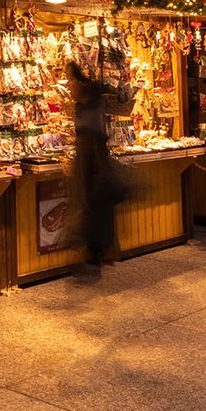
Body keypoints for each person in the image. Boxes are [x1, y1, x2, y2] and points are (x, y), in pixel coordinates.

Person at [66, 61, 126, 267]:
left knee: (91, 208)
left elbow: (93, 152)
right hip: (91, 175)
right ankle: (98, 251)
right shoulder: (86, 107)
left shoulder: (91, 114)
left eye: (72, 80)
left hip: (93, 175)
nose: (68, 84)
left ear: (82, 84)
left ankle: (95, 251)